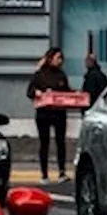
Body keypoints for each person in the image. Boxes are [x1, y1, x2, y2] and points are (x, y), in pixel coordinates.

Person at [26, 47, 71, 183]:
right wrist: (37, 93)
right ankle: (44, 174)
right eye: (57, 58)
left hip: (59, 113)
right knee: (44, 142)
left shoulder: (61, 75)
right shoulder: (40, 74)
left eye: (61, 58)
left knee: (60, 142)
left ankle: (62, 172)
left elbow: (67, 91)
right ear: (50, 58)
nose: (60, 61)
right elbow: (29, 91)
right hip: (44, 114)